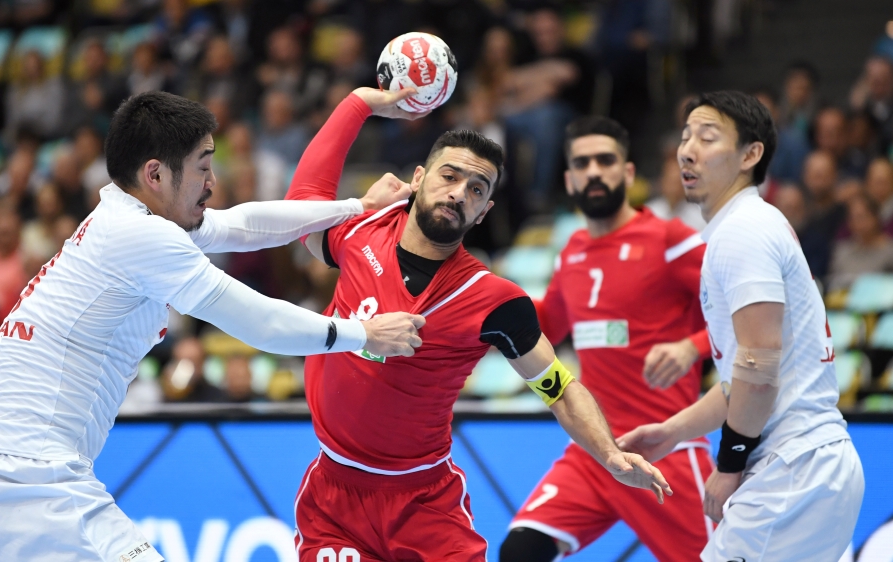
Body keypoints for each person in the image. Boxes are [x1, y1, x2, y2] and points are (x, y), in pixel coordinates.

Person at [0, 91, 424, 562]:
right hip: (25, 477)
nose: (212, 182)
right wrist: (363, 335)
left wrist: (356, 207)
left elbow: (246, 224)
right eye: (203, 168)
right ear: (156, 174)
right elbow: (259, 320)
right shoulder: (141, 237)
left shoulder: (127, 219)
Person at [286, 87, 672, 562]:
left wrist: (609, 454)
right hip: (335, 500)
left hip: (424, 504)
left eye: (476, 189)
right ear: (420, 177)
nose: (459, 194)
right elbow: (302, 205)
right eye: (450, 176)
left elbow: (559, 387)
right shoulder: (363, 230)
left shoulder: (495, 299)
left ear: (485, 210)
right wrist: (357, 105)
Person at [620, 91, 865, 561]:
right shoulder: (750, 226)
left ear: (751, 155)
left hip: (791, 467)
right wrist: (674, 431)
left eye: (707, 137)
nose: (687, 149)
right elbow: (741, 379)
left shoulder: (743, 230)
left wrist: (728, 465)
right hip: (814, 464)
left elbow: (760, 364)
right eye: (685, 135)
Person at [500, 117, 713, 562]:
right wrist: (486, 305)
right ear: (569, 179)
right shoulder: (573, 250)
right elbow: (548, 327)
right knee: (520, 550)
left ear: (629, 173)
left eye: (605, 160)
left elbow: (747, 315)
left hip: (664, 448)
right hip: (595, 452)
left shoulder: (669, 240)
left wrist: (690, 346)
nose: (594, 171)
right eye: (582, 162)